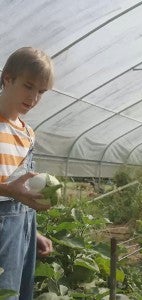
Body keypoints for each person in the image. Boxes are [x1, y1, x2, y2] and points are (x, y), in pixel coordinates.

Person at [0, 47, 54, 299]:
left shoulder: (28, 133)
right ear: (7, 78)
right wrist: (6, 190)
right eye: (28, 86)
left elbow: (23, 186)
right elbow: (11, 188)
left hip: (22, 224)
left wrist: (33, 231)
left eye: (41, 92)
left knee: (19, 291)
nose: (33, 98)